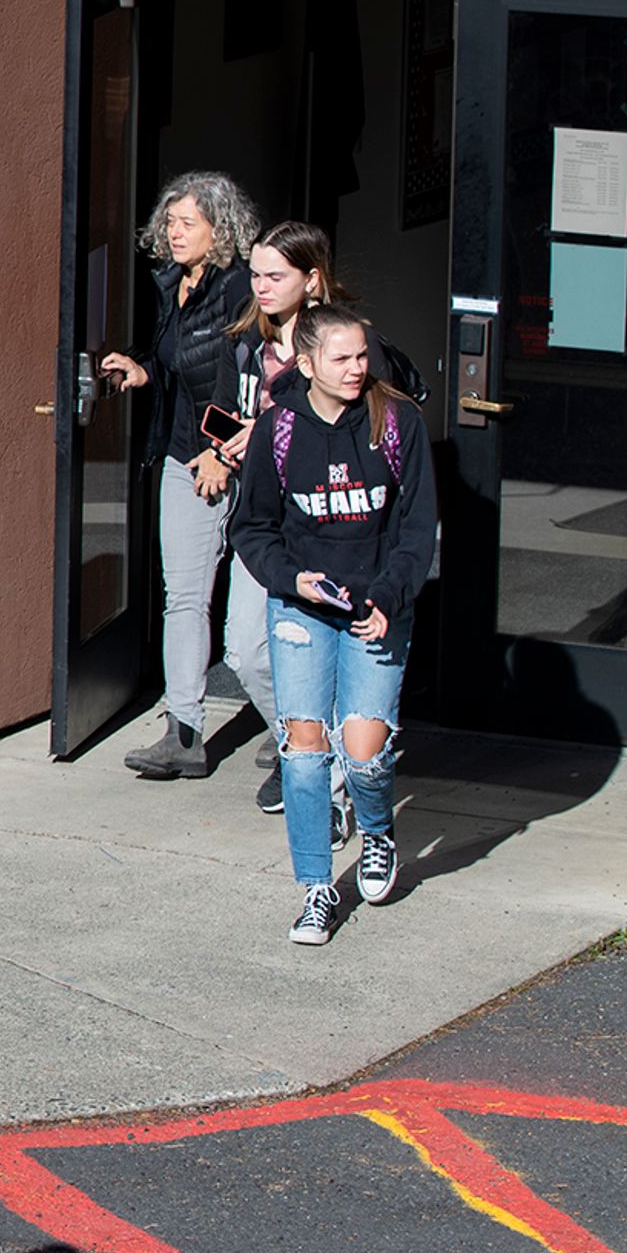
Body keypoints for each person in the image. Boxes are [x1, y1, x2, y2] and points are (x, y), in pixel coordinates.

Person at [229, 302, 437, 946]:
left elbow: (415, 529)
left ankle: (376, 833)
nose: (356, 369)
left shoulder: (397, 420)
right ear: (308, 362)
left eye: (361, 356)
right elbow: (253, 526)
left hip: (374, 606)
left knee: (366, 751)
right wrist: (291, 580)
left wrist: (389, 597)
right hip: (301, 606)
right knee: (305, 746)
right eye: (341, 358)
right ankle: (316, 888)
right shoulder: (280, 430)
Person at [97, 172, 259, 779]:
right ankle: (183, 733)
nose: (174, 232)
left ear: (221, 229)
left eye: (187, 223)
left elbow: (237, 375)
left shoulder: (240, 288)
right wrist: (142, 369)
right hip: (179, 454)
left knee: (252, 619)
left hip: (227, 460)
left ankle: (300, 732)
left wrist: (220, 450)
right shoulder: (176, 284)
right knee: (184, 597)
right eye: (171, 221)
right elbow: (180, 365)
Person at [210, 222, 341, 805]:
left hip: (324, 522)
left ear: (311, 280)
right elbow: (221, 408)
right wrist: (220, 448)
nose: (260, 286)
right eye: (256, 274)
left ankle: (328, 763)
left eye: (275, 276)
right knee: (245, 648)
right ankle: (303, 743)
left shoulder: (340, 347)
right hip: (261, 519)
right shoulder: (245, 344)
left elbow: (358, 426)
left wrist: (270, 428)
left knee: (318, 647)